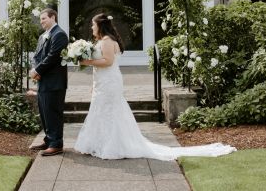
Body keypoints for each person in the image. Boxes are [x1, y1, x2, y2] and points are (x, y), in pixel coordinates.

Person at [74, 13, 236, 161]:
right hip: (103, 81)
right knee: (101, 110)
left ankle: (112, 145)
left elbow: (108, 62)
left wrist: (86, 62)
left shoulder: (108, 41)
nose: (91, 27)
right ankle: (98, 143)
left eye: (93, 25)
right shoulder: (102, 41)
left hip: (109, 82)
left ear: (100, 26)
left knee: (108, 110)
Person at [29, 8, 69, 157]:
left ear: (53, 17)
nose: (41, 22)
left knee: (53, 113)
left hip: (54, 82)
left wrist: (37, 71)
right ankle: (48, 140)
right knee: (45, 113)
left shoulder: (59, 34)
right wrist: (35, 69)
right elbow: (37, 56)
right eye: (40, 19)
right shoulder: (42, 36)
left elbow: (53, 57)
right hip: (43, 81)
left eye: (44, 18)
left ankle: (56, 144)